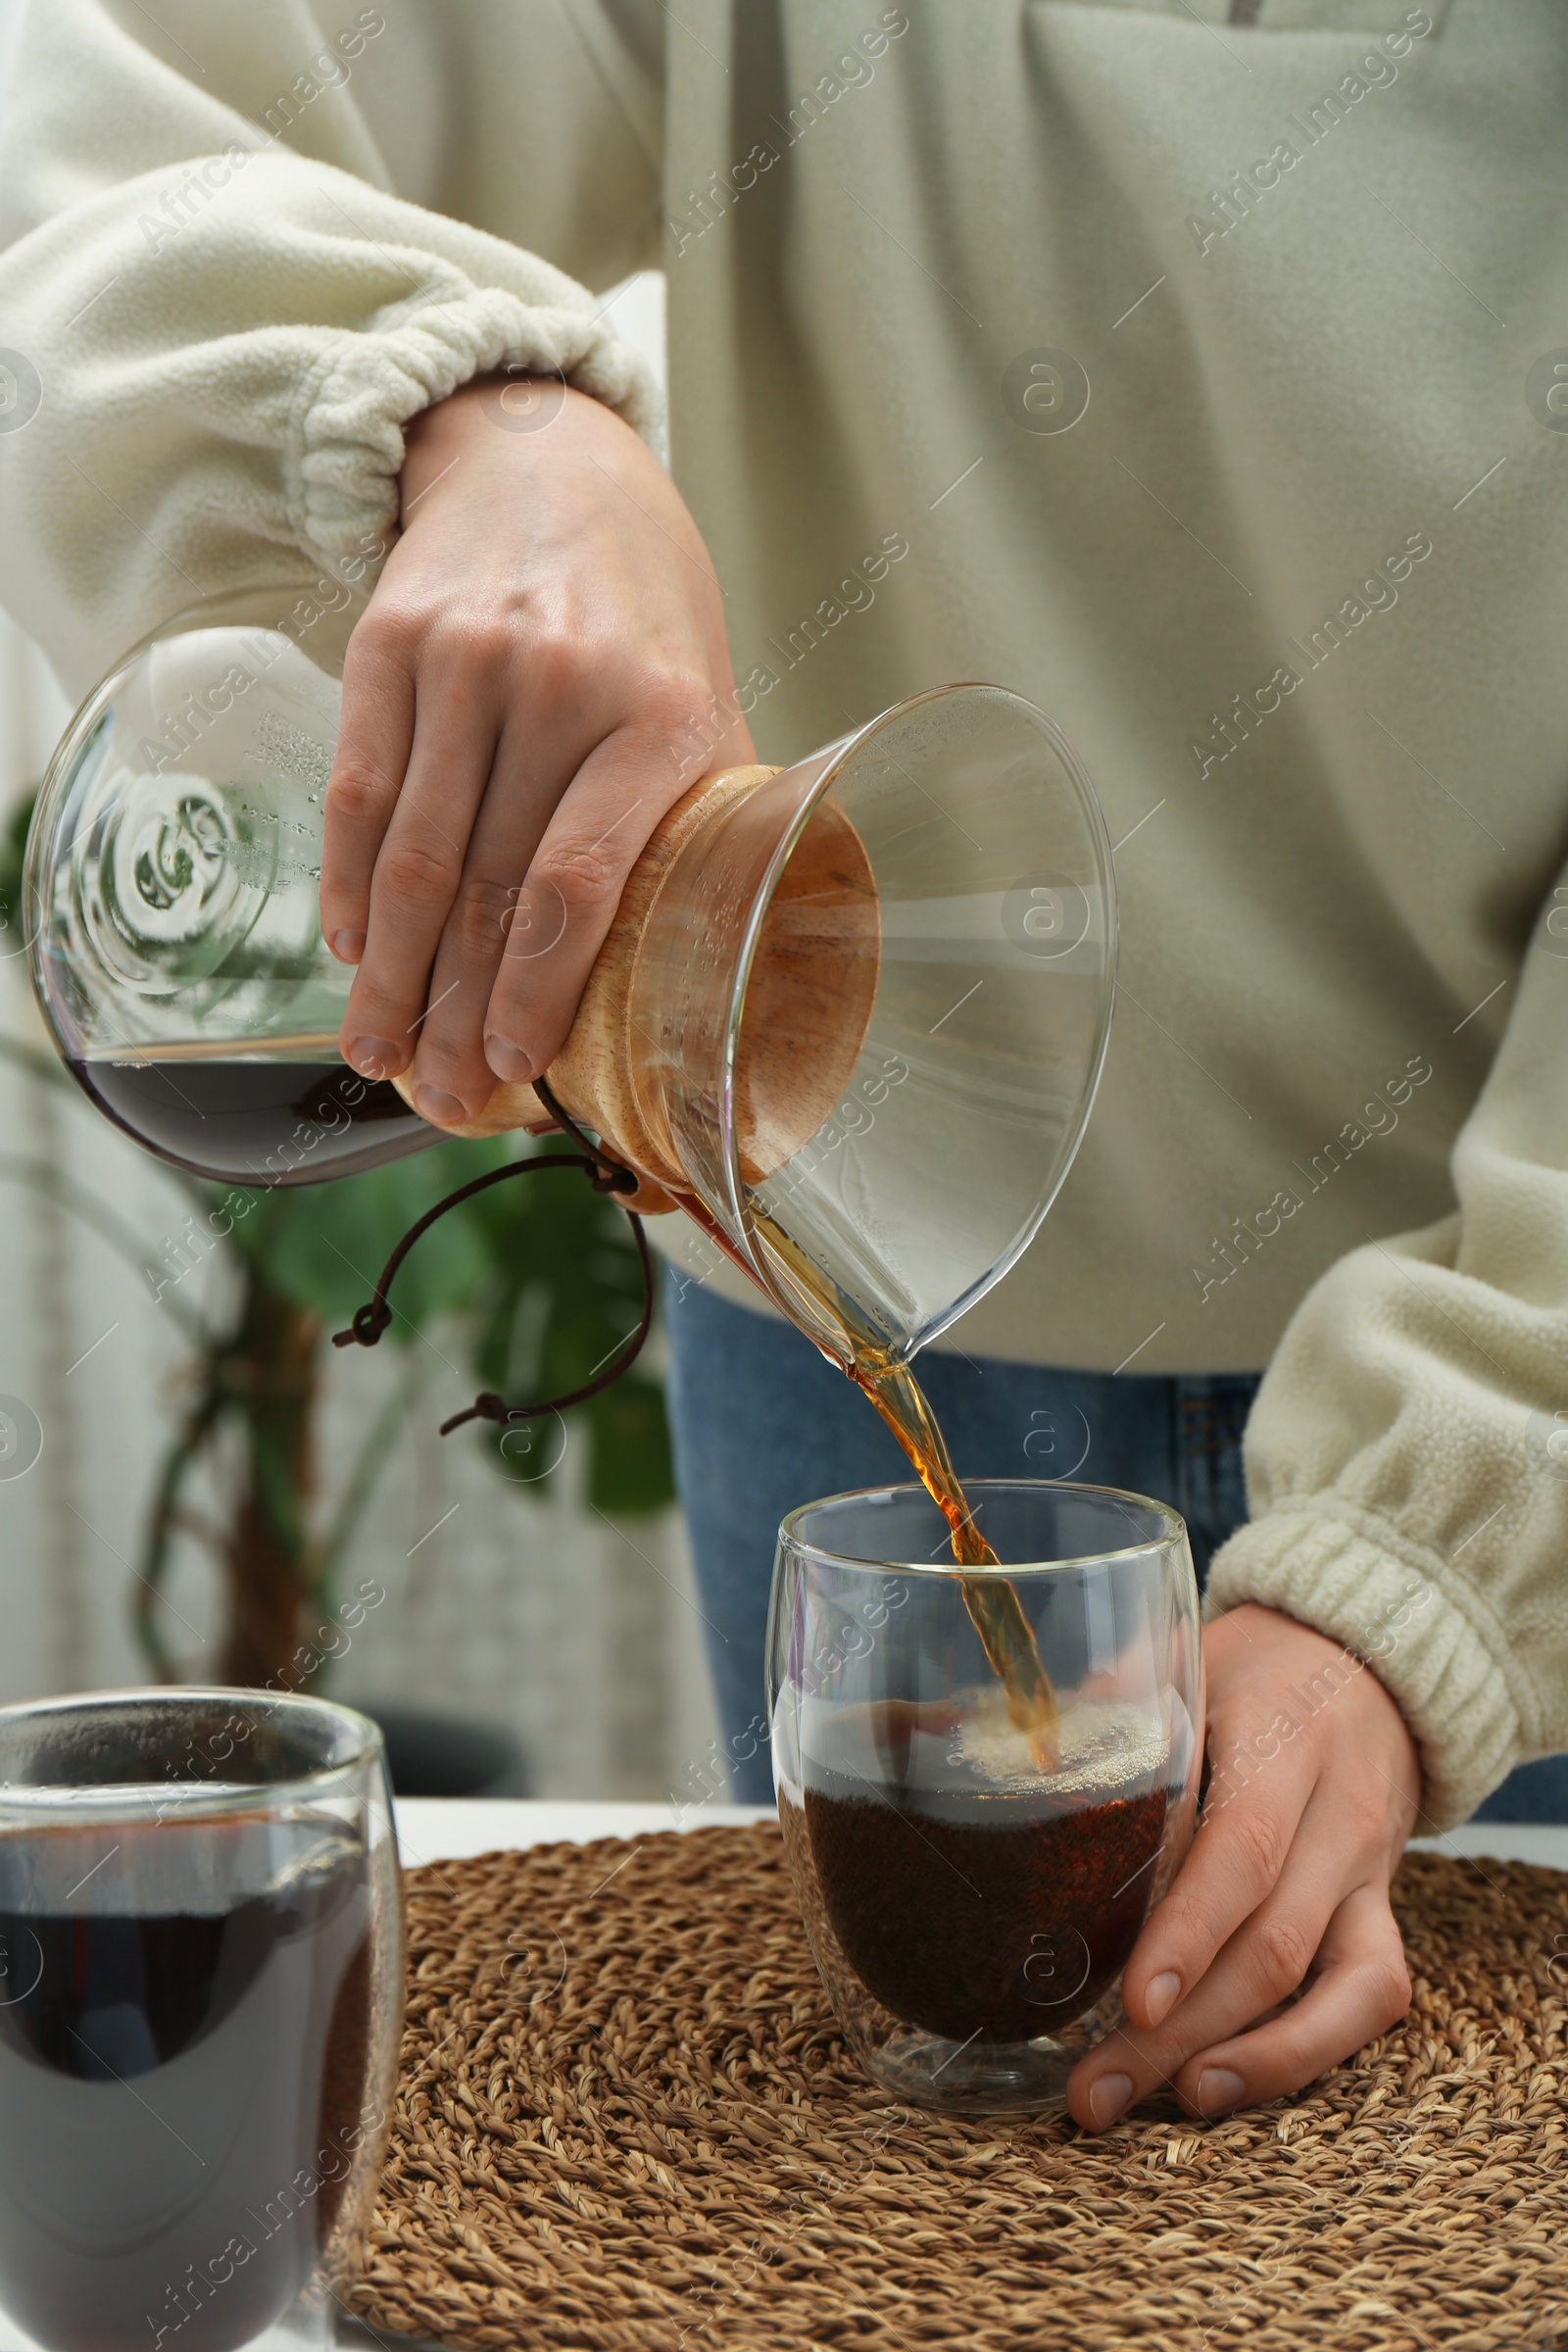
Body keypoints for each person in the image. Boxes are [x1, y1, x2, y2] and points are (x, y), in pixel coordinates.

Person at [3, 0, 1566, 2137]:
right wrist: (478, 414)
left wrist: (1437, 1567)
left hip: (1516, 1355)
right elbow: (96, 85)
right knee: (857, 2182)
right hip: (808, 1221)